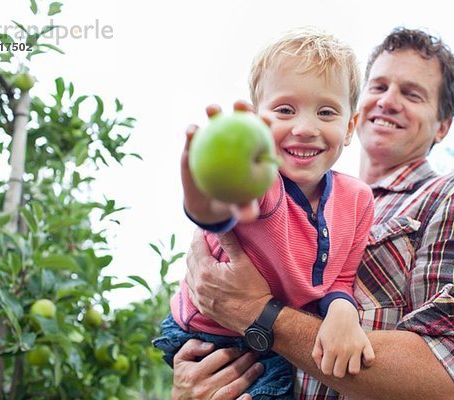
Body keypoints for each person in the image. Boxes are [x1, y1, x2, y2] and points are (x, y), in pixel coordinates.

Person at [171, 27, 454, 400]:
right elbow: (220, 209)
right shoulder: (280, 183)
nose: (388, 101)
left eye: (412, 94)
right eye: (378, 87)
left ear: (443, 126)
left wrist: (256, 313)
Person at [153, 27, 377, 399]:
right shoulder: (261, 180)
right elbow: (218, 211)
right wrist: (201, 185)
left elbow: (340, 279)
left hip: (269, 340)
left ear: (350, 126)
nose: (305, 128)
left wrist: (342, 313)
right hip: (211, 338)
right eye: (285, 110)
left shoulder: (357, 200)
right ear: (257, 120)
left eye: (326, 111)